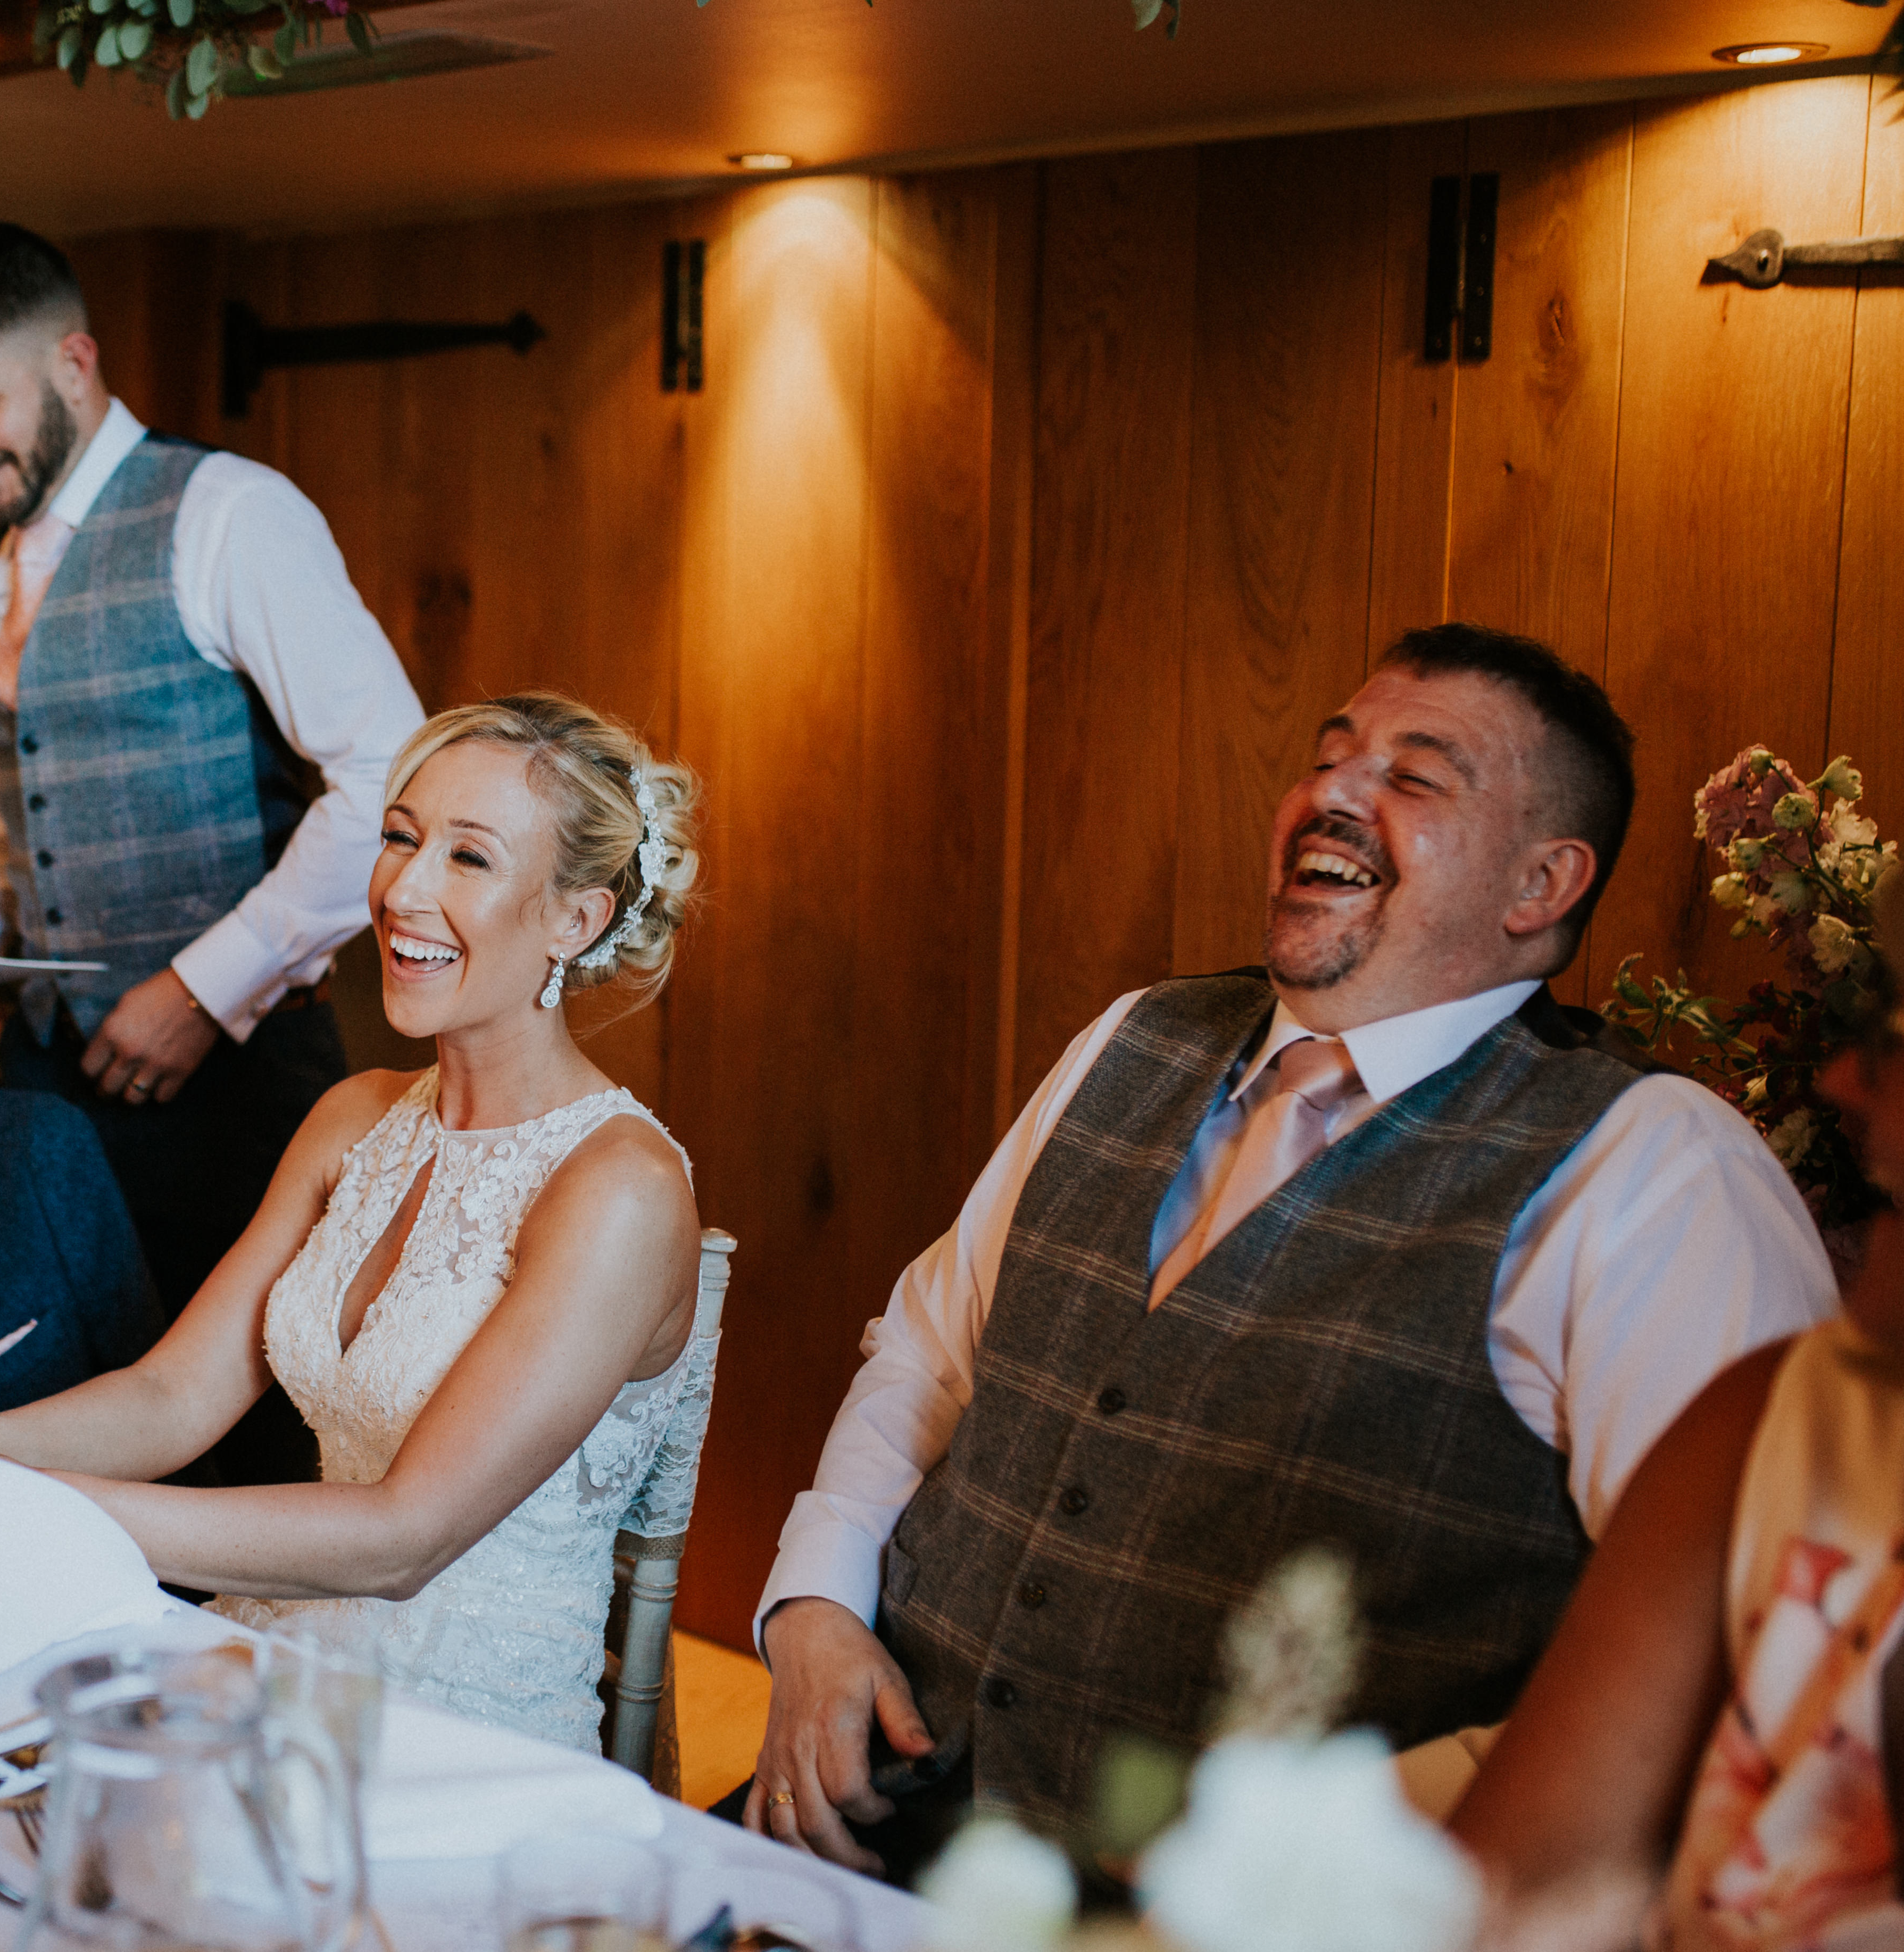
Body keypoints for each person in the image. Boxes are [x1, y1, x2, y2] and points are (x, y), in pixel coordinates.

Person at [739, 624, 1839, 1878]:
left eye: (1414, 777)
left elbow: (1729, 1658)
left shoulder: (1654, 1169)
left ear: (1541, 885)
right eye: (1330, 756)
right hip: (882, 1832)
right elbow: (931, 1353)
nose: (1334, 793)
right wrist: (819, 1601)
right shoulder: (1134, 1036)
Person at [0, 695, 706, 1751]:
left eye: (468, 858)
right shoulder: (353, 1117)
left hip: (459, 1742)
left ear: (575, 918)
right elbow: (172, 1394)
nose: (403, 890)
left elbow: (404, 1537)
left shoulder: (621, 1187)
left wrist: (12, 1503)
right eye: (400, 837)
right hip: (263, 1669)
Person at [0, 222, 427, 1476]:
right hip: (54, 1101)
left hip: (247, 1093)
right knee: (65, 1420)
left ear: (73, 362)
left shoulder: (229, 514)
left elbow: (392, 772)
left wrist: (204, 990)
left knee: (253, 1445)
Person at [1450, 954, 1904, 1949]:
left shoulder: (1668, 1165)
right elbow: (1500, 1900)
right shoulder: (1771, 1421)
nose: (1839, 1079)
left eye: (1891, 1038)